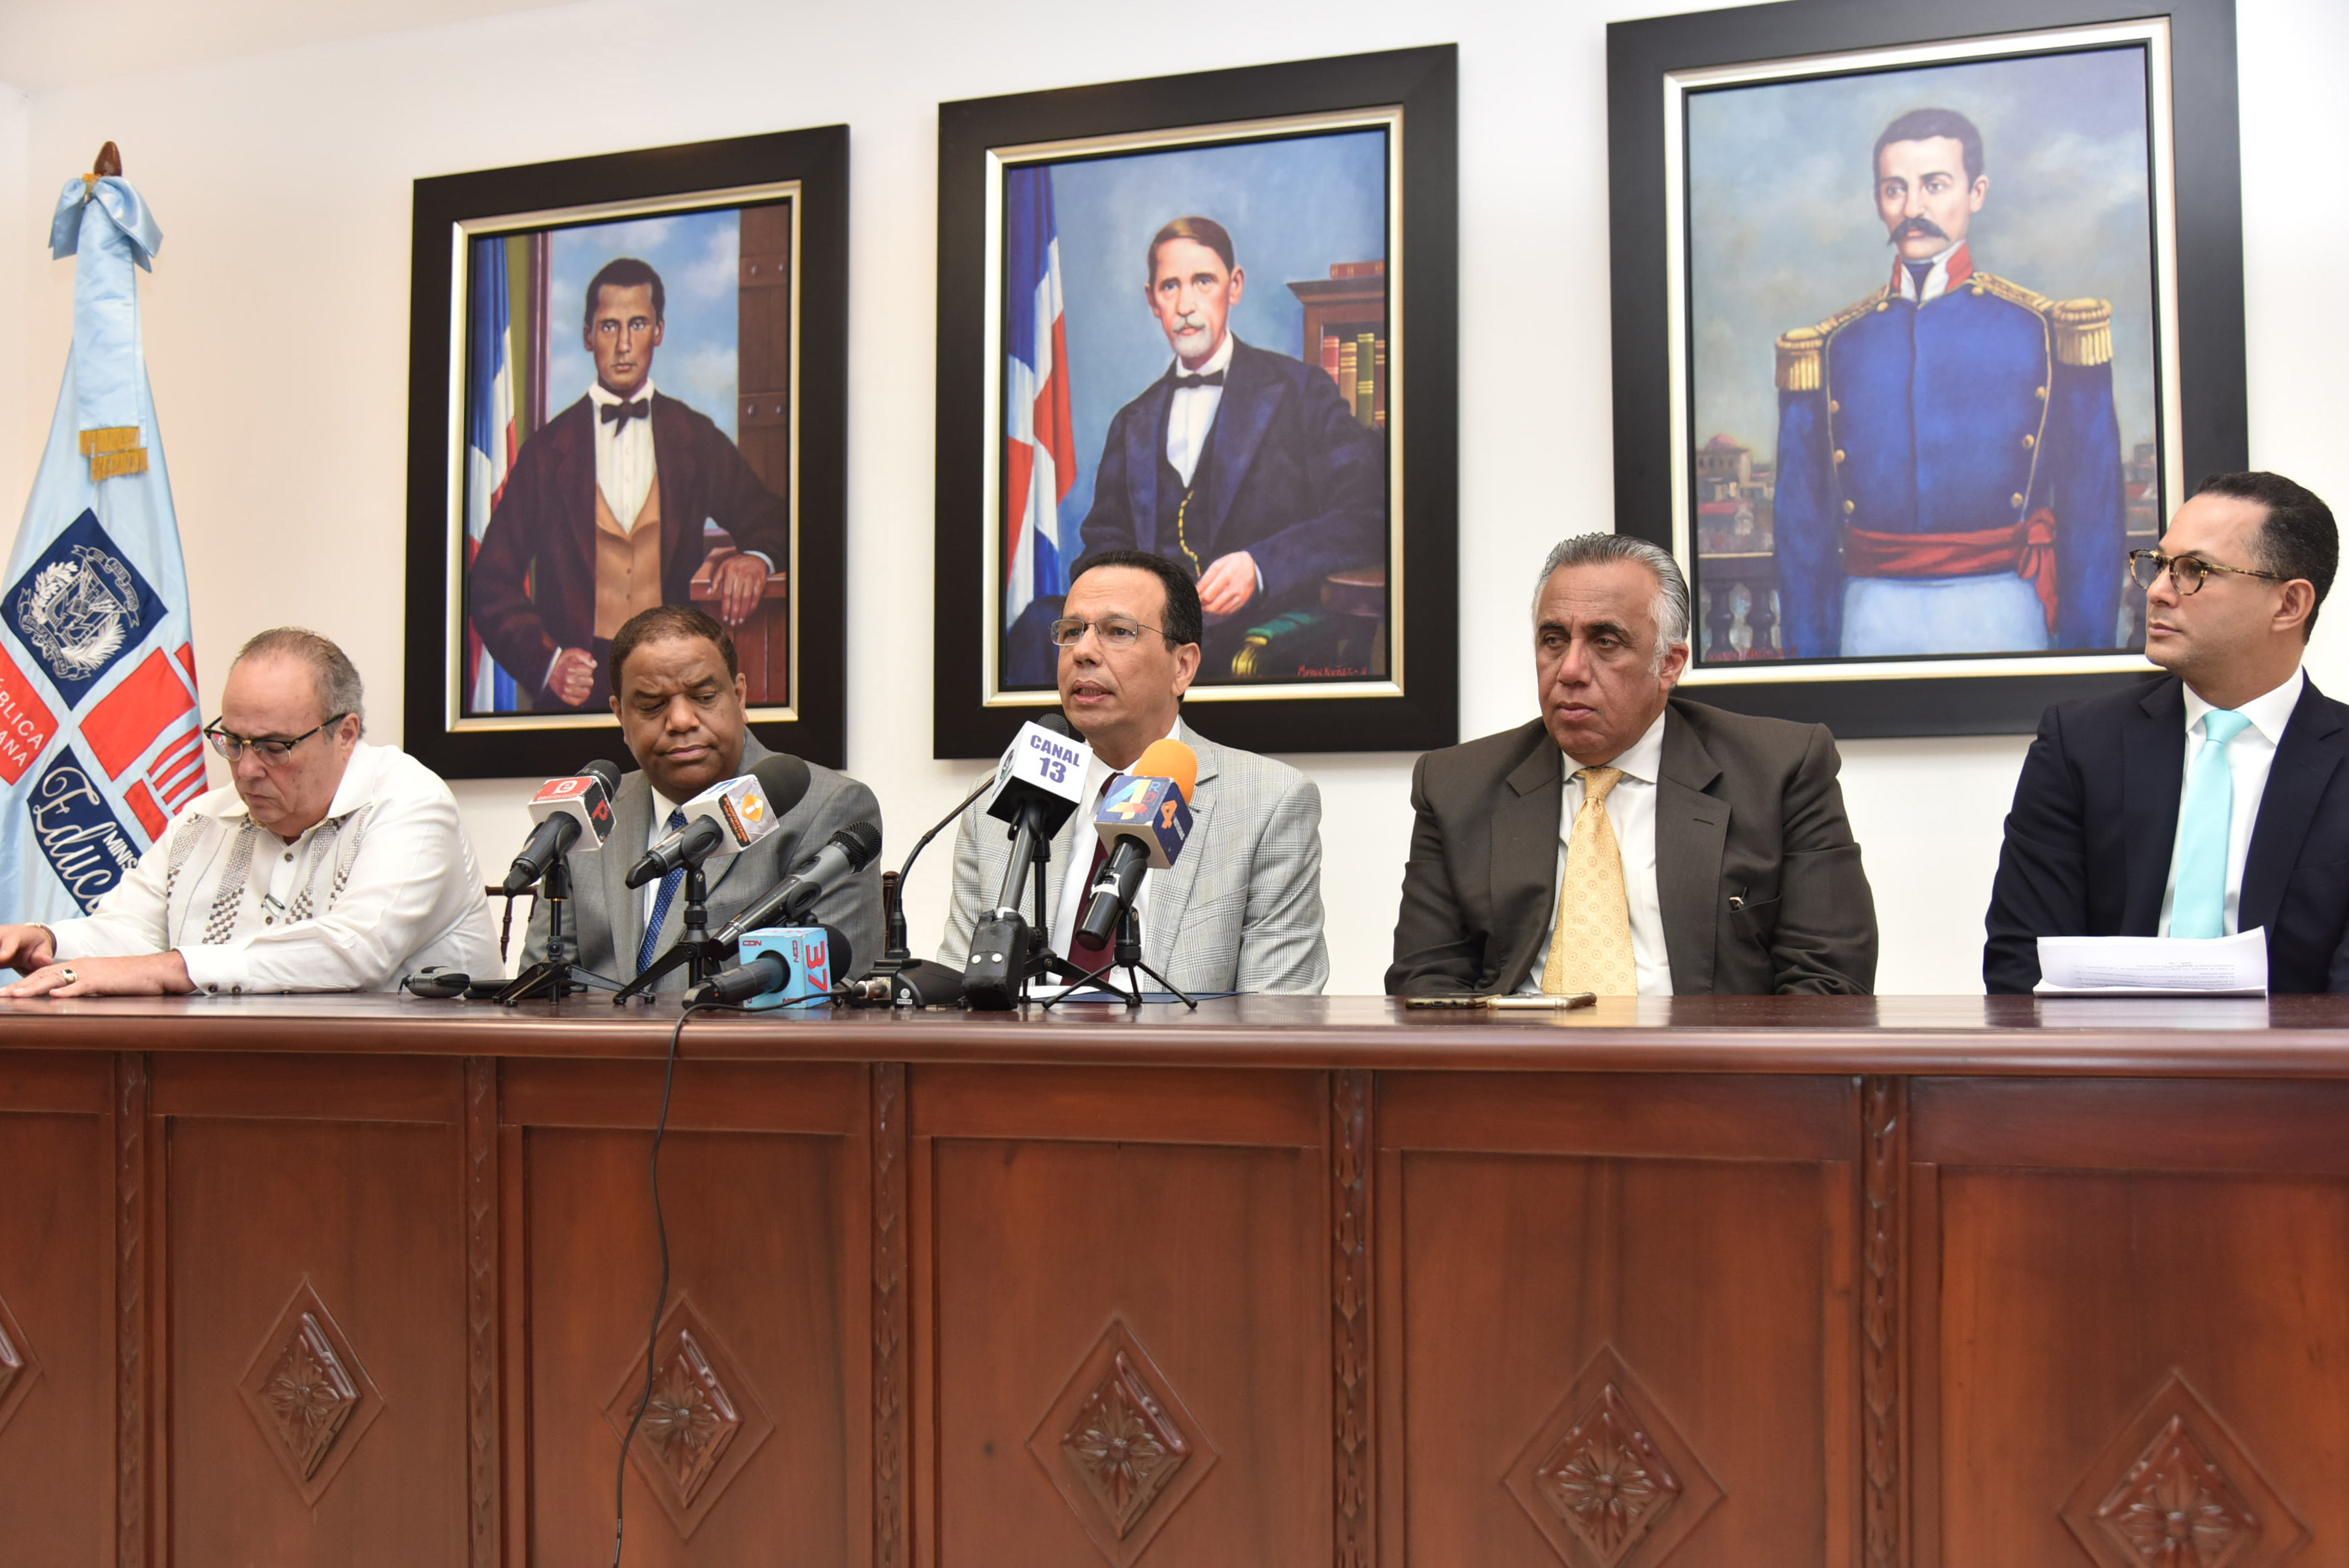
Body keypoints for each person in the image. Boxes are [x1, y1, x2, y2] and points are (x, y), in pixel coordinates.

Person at [1388, 535, 1877, 997]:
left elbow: (1829, 980)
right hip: (1521, 1073)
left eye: (1605, 642)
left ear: (1669, 663)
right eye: (1554, 639)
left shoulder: (1781, 771)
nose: (1571, 670)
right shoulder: (1455, 787)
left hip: (1706, 1073)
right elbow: (1426, 984)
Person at [1773, 107, 2125, 659]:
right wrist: (1808, 664)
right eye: (1895, 189)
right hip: (1866, 615)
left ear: (1976, 192)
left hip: (2006, 611)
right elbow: (1803, 531)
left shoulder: (2044, 330)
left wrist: (2087, 656)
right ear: (1877, 201)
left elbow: (2093, 514)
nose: (1913, 209)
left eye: (1935, 186)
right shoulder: (1832, 344)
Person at [1984, 471, 2349, 992]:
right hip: (2109, 1065)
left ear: (2289, 604)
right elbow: (2021, 963)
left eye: (2194, 570)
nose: (2156, 592)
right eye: (2158, 566)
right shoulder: (2080, 746)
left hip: (2292, 1070)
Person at [0, 628, 497, 996]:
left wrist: (168, 968)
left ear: (345, 734)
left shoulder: (412, 802)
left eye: (275, 746)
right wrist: (45, 940)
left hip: (405, 1095)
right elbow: (133, 932)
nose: (247, 769)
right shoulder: (205, 819)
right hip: (228, 1074)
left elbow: (354, 950)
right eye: (233, 742)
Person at [942, 549, 1328, 993]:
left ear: (1182, 667)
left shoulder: (1267, 804)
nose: (1083, 652)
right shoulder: (994, 805)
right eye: (1071, 632)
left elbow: (1276, 1018)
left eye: (1118, 631)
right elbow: (955, 1002)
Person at [1049, 216, 1385, 678]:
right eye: (1170, 286)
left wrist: (1260, 567)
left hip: (1257, 637)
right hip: (1148, 648)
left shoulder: (1302, 391)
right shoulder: (1132, 422)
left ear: (1235, 285)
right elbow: (1099, 550)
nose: (1186, 304)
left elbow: (1366, 516)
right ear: (1152, 300)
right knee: (1036, 630)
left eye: (1202, 280)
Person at [470, 257, 788, 712]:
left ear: (658, 330)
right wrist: (548, 662)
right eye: (608, 327)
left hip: (679, 687)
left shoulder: (694, 436)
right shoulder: (547, 450)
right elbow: (489, 580)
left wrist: (756, 557)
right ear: (587, 336)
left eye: (637, 324)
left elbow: (774, 518)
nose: (623, 345)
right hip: (577, 693)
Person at [521, 605, 882, 990]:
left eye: (705, 696)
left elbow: (835, 994)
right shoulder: (590, 815)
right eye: (652, 705)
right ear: (621, 717)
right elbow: (540, 988)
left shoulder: (825, 808)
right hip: (601, 1049)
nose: (680, 721)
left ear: (740, 697)